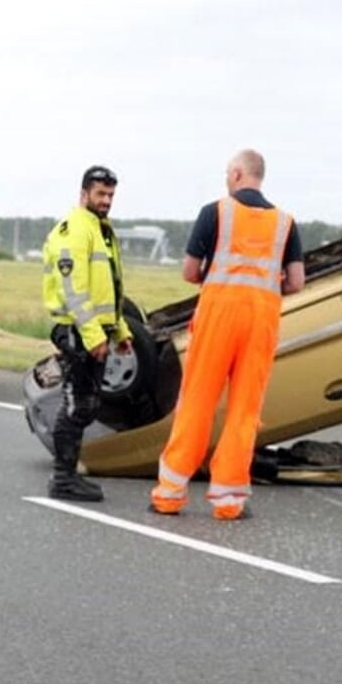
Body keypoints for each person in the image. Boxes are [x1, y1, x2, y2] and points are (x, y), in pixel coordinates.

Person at [149, 149, 305, 520]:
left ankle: (170, 493)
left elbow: (189, 271)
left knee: (197, 401)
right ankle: (229, 500)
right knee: (245, 409)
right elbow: (296, 281)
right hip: (261, 320)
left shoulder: (214, 212)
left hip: (219, 315)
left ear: (237, 174)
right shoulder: (286, 223)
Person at [39, 164, 134, 502]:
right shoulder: (76, 229)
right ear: (84, 194)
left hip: (95, 330)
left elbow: (108, 289)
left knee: (87, 404)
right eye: (100, 194)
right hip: (78, 331)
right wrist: (93, 336)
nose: (106, 200)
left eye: (110, 195)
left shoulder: (100, 229)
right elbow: (73, 289)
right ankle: (63, 479)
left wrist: (119, 329)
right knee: (78, 404)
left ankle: (67, 475)